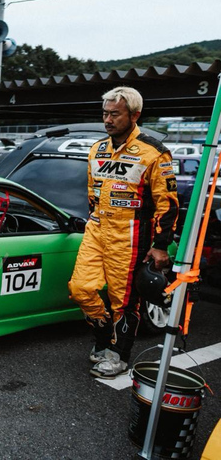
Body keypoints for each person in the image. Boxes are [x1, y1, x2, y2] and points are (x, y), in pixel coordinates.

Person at [68, 86, 178, 379]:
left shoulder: (154, 152)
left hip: (130, 232)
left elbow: (168, 204)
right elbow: (92, 191)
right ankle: (104, 339)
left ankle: (118, 355)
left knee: (123, 299)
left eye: (114, 114)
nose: (107, 119)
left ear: (134, 114)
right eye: (105, 113)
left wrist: (160, 244)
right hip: (98, 227)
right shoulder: (97, 149)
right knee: (81, 288)